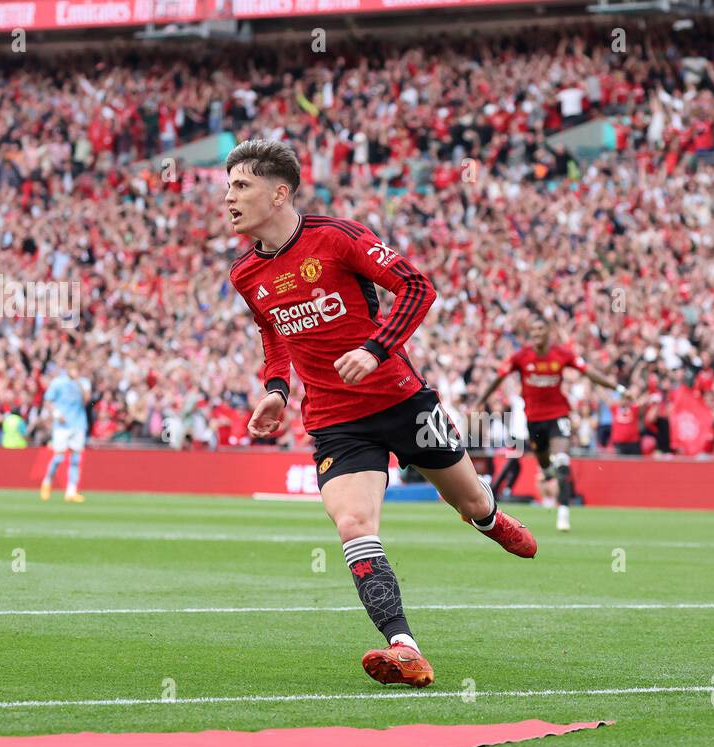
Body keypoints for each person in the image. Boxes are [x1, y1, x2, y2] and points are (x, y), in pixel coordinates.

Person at [226, 139, 536, 689]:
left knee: (466, 502)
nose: (229, 197)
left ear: (279, 193)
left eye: (240, 185)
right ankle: (405, 647)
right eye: (228, 185)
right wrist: (275, 387)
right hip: (334, 421)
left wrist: (375, 349)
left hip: (402, 401)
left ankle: (490, 515)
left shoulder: (338, 237)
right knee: (352, 523)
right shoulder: (246, 273)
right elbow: (272, 331)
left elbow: (418, 286)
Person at [477, 316, 624, 531]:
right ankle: (548, 470)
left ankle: (563, 512)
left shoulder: (562, 354)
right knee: (546, 465)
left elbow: (589, 373)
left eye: (540, 330)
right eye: (533, 331)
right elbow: (498, 377)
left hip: (558, 415)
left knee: (563, 461)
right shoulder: (521, 356)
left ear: (549, 333)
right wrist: (480, 401)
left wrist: (618, 389)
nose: (536, 334)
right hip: (534, 421)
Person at [40, 361, 90, 502]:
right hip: (62, 425)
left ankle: (71, 491)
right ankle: (47, 481)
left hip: (78, 424)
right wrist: (56, 414)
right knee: (59, 458)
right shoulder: (58, 382)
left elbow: (86, 400)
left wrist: (78, 384)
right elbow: (48, 401)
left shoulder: (84, 383)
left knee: (76, 459)